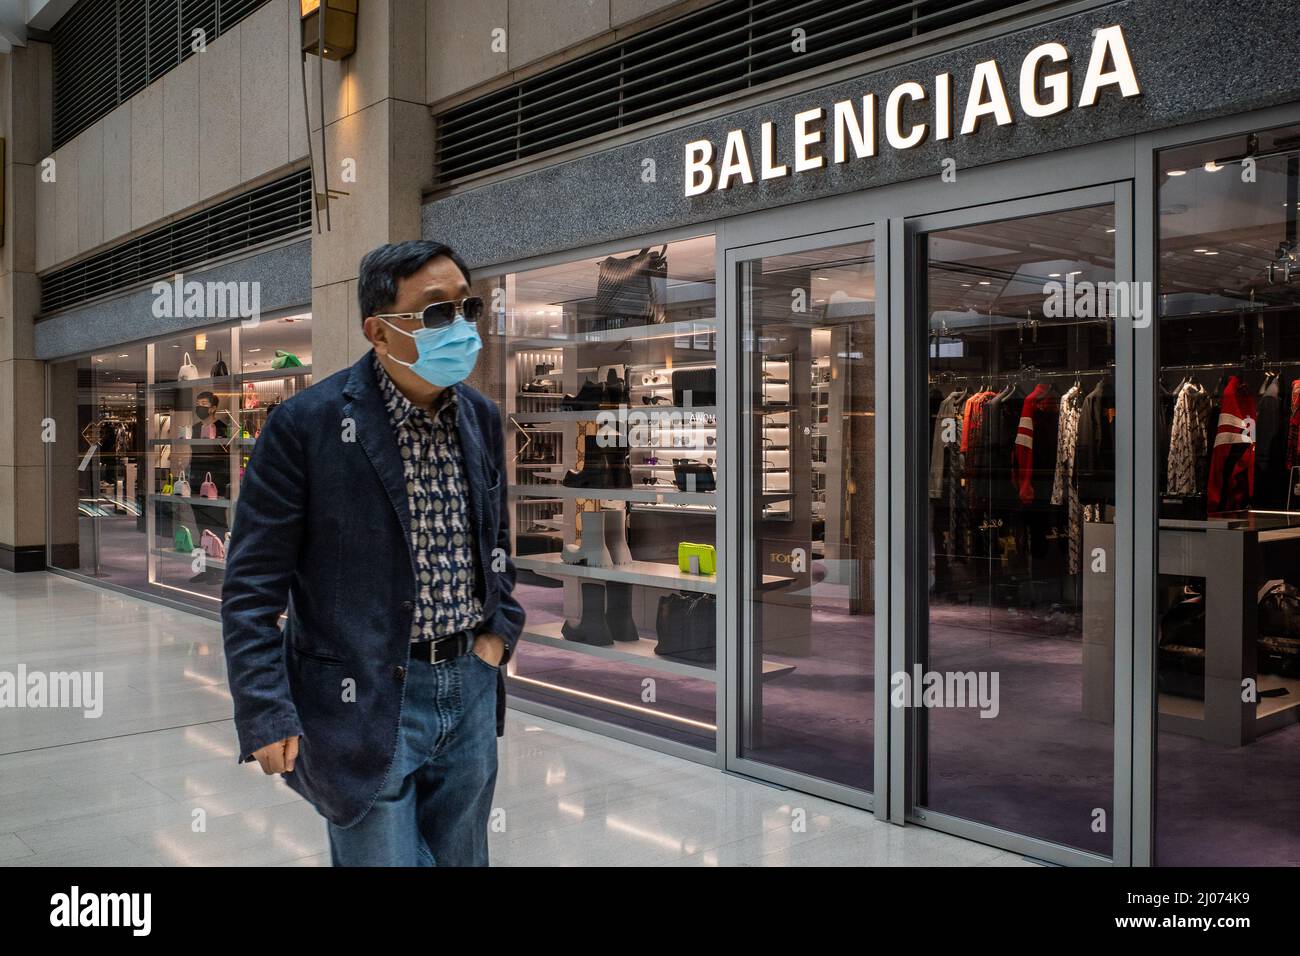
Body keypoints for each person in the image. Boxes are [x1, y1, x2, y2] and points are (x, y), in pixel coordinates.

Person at [221, 240, 524, 866]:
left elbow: (493, 540)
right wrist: (264, 709)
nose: (462, 326)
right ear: (378, 331)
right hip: (361, 694)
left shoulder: (481, 416)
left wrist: (498, 634)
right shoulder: (307, 425)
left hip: (467, 682)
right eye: (437, 312)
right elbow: (252, 587)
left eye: (468, 308)